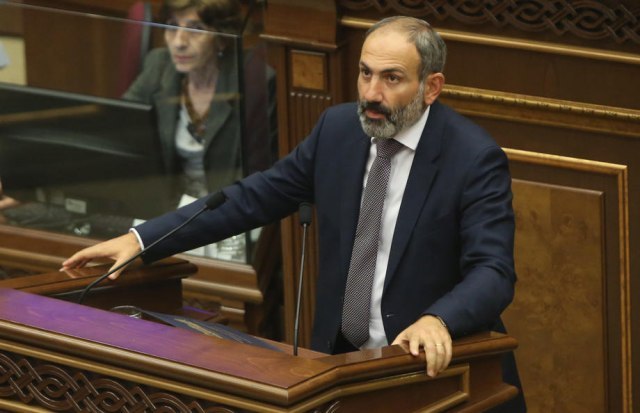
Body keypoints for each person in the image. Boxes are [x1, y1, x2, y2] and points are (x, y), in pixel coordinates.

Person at [63, 16, 525, 412]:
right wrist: (142, 240)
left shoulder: (472, 158)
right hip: (340, 369)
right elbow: (251, 198)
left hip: (436, 377)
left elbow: (493, 271)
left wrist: (439, 319)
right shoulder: (338, 131)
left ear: (431, 87)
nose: (371, 93)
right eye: (365, 73)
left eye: (391, 78)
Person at [123, 0, 276, 207]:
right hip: (167, 208)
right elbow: (119, 130)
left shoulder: (252, 81)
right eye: (172, 26)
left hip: (227, 210)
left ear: (222, 38)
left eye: (196, 29)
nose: (179, 42)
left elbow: (260, 176)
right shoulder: (159, 66)